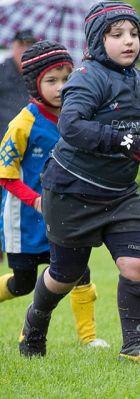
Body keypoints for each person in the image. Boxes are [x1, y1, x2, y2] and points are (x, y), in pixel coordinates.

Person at [17, 2, 140, 362]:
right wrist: (119, 141)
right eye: (117, 35)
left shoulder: (139, 80)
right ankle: (34, 328)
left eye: (133, 34)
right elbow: (71, 126)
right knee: (64, 275)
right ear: (98, 42)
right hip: (72, 190)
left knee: (137, 266)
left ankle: (134, 346)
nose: (128, 41)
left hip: (120, 194)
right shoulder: (87, 77)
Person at [0, 40, 109, 349]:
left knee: (78, 271)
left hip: (63, 216)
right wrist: (34, 200)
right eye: (52, 80)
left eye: (66, 78)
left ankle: (89, 339)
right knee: (22, 284)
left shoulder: (79, 118)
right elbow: (4, 175)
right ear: (35, 84)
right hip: (24, 219)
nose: (61, 87)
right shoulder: (23, 122)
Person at [0, 30, 37, 264]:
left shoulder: (40, 76)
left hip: (32, 151)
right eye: (22, 45)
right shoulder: (2, 72)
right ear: (13, 46)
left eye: (30, 46)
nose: (25, 51)